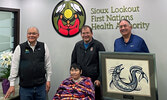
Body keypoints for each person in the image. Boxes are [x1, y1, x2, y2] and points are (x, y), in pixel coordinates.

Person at [5, 27, 52, 100]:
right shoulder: (20, 48)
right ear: (27, 35)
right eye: (29, 33)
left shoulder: (43, 46)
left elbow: (48, 65)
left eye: (34, 33)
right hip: (25, 89)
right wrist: (12, 84)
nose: (31, 35)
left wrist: (48, 80)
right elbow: (14, 67)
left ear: (38, 35)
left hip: (41, 87)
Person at [71, 25, 105, 100]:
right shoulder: (77, 45)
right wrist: (74, 75)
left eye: (87, 33)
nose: (85, 35)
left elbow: (103, 64)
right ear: (81, 34)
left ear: (92, 34)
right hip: (80, 81)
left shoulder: (98, 45)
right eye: (83, 33)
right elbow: (73, 62)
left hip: (94, 81)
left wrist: (99, 79)